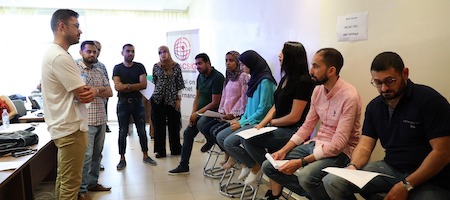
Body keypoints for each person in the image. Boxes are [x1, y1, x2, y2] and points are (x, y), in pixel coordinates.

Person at [323, 52, 450, 200]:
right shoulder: (374, 107)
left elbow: (442, 153)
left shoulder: (429, 101)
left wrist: (406, 184)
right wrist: (353, 167)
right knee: (333, 182)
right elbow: (365, 145)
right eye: (378, 82)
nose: (383, 88)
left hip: (431, 175)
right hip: (392, 168)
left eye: (390, 81)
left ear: (405, 73)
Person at [261, 48, 362, 200]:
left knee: (306, 177)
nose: (311, 70)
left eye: (315, 66)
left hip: (342, 151)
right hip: (316, 143)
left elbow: (338, 145)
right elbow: (307, 126)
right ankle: (316, 195)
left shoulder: (349, 96)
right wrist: (284, 150)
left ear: (331, 70)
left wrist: (301, 162)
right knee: (269, 166)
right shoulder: (317, 91)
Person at [240, 42, 314, 190]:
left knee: (249, 141)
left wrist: (271, 123)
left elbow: (294, 117)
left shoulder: (303, 82)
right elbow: (275, 106)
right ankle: (273, 177)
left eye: (282, 52)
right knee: (247, 136)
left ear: (292, 58)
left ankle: (269, 169)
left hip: (293, 130)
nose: (279, 55)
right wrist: (261, 125)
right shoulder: (285, 78)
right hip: (278, 126)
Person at [41, 9, 96, 200]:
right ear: (61, 26)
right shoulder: (60, 57)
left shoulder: (55, 54)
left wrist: (88, 91)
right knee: (70, 186)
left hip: (65, 126)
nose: (80, 32)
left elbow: (81, 92)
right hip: (71, 128)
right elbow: (84, 95)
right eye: (77, 26)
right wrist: (95, 90)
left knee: (64, 180)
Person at [216, 50, 276, 175]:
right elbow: (249, 108)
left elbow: (263, 110)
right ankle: (246, 163)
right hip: (248, 121)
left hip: (259, 123)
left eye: (244, 64)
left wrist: (243, 123)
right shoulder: (254, 78)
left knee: (229, 142)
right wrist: (241, 121)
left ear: (252, 64)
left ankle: (254, 166)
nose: (242, 67)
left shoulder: (265, 81)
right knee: (221, 137)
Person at [168, 53, 225, 175]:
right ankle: (183, 165)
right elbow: (197, 97)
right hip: (200, 113)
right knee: (187, 133)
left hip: (213, 113)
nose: (197, 66)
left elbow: (215, 103)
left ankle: (210, 139)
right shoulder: (200, 76)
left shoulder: (217, 77)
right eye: (196, 64)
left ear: (208, 63)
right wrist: (193, 113)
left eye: (200, 63)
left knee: (201, 123)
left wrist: (198, 114)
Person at [75, 40, 113, 199]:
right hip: (86, 120)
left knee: (97, 154)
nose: (92, 54)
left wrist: (96, 90)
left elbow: (110, 91)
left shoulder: (99, 69)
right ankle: (82, 191)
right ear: (81, 52)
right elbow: (81, 93)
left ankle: (92, 183)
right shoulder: (75, 69)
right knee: (86, 156)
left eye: (94, 52)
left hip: (101, 118)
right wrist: (99, 90)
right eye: (88, 51)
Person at [112, 44, 157, 170]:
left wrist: (126, 86)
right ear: (122, 53)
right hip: (123, 103)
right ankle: (122, 158)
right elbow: (117, 86)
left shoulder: (139, 67)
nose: (131, 53)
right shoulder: (117, 68)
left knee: (142, 130)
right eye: (128, 51)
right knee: (122, 131)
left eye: (133, 51)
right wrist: (132, 86)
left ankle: (146, 155)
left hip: (138, 102)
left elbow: (143, 85)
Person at [199, 51, 249, 155]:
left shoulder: (243, 76)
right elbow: (224, 96)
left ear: (238, 62)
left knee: (215, 132)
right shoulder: (229, 77)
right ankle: (228, 154)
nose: (227, 63)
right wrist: (221, 112)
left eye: (231, 60)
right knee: (206, 128)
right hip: (225, 115)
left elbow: (244, 98)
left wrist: (234, 113)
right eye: (226, 60)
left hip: (236, 117)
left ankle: (232, 156)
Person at [151, 46, 185, 158]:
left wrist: (178, 100)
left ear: (169, 53)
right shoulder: (156, 67)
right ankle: (160, 151)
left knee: (174, 125)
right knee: (159, 126)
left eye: (165, 52)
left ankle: (176, 149)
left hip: (172, 99)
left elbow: (179, 84)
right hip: (158, 99)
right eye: (160, 52)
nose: (163, 54)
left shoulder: (176, 66)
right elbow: (154, 82)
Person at [93, 40, 111, 133]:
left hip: (101, 102)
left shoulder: (101, 66)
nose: (97, 52)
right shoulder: (78, 64)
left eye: (99, 50)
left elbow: (107, 87)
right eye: (95, 49)